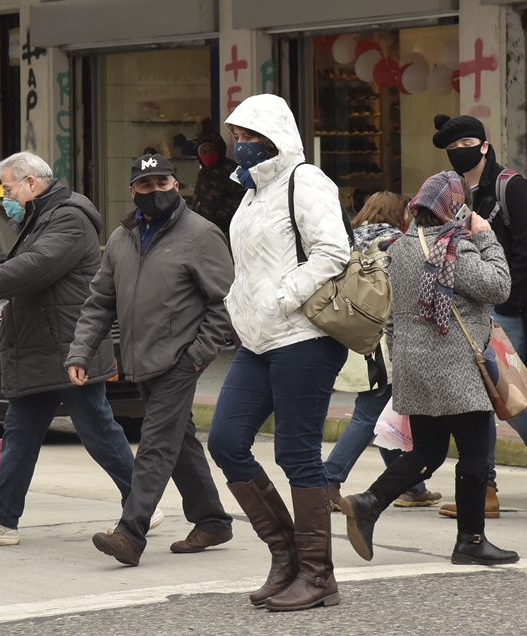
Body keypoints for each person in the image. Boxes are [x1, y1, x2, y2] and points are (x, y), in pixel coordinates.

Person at [0, 152, 138, 547]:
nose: (6, 196)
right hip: (43, 348)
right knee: (20, 433)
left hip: (67, 349)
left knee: (97, 431)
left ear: (31, 183)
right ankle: (1, 520)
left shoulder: (68, 216)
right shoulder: (41, 215)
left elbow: (35, 266)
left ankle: (140, 503)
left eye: (8, 188)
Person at [205, 94, 349, 612]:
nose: (238, 145)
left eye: (247, 136)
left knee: (296, 452)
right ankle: (285, 558)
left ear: (273, 136)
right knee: (224, 441)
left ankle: (318, 575)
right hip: (257, 339)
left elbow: (334, 251)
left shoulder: (305, 182)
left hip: (304, 337)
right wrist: (241, 307)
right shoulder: (249, 192)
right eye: (235, 136)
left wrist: (280, 296)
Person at [338, 171, 518, 567]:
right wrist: (486, 235)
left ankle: (368, 502)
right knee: (474, 454)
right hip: (456, 367)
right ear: (455, 207)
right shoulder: (455, 248)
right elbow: (500, 287)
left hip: (412, 366)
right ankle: (470, 540)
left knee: (429, 450)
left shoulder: (399, 247)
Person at [66, 153, 235, 566]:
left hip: (181, 360)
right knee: (179, 443)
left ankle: (131, 533)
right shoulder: (122, 238)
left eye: (163, 183)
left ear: (177, 185)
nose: (155, 191)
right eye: (146, 185)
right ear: (132, 191)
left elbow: (227, 304)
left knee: (156, 444)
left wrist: (197, 356)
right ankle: (212, 520)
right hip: (141, 360)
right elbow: (99, 302)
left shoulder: (202, 234)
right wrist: (81, 350)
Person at [430, 114, 527, 520]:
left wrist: (507, 301)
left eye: (467, 145)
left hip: (505, 306)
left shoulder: (511, 186)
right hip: (465, 305)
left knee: (502, 390)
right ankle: (485, 487)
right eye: (452, 149)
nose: (460, 153)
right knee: (480, 398)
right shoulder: (452, 191)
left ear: (485, 146)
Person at [326, 192, 441, 510]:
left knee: (386, 415)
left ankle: (413, 486)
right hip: (387, 342)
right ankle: (327, 480)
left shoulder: (347, 242)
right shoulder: (394, 244)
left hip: (356, 339)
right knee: (370, 413)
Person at [191, 119, 245, 239]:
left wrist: (218, 217)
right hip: (201, 231)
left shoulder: (231, 170)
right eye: (204, 152)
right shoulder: (203, 172)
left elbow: (239, 197)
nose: (208, 154)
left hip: (224, 232)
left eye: (212, 151)